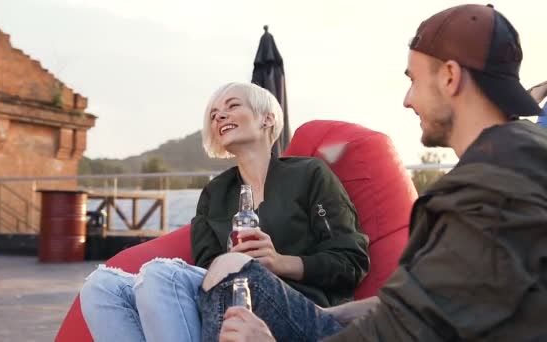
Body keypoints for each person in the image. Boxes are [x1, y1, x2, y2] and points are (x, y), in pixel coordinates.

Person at [204, 4, 547, 342]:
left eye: (413, 80)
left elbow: (406, 330)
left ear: (450, 77)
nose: (407, 100)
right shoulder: (516, 159)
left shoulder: (488, 191)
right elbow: (417, 305)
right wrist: (323, 317)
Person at [79, 82, 370, 342]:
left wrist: (280, 262)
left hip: (299, 306)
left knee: (160, 273)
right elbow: (205, 269)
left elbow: (350, 263)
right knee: (101, 286)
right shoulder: (214, 193)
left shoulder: (309, 174)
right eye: (214, 113)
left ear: (267, 118)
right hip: (223, 296)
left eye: (232, 106)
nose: (219, 115)